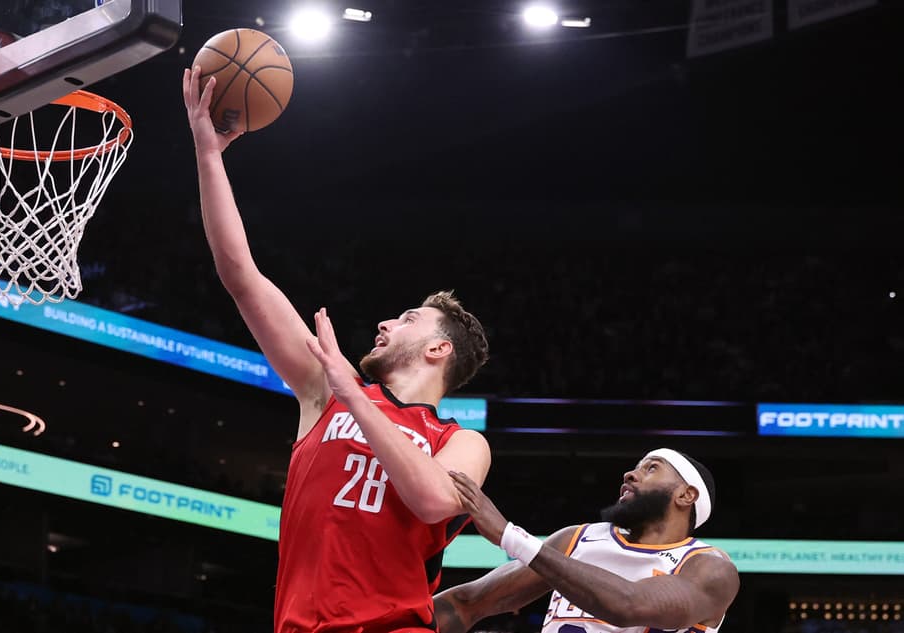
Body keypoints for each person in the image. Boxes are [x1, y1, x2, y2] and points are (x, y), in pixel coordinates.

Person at [182, 66, 492, 632]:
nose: (385, 322)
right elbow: (241, 275)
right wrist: (209, 154)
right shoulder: (326, 391)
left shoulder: (462, 442)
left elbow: (429, 499)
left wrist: (354, 393)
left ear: (438, 349)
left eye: (408, 318)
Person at [434, 449, 740, 633]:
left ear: (686, 495)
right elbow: (465, 604)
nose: (630, 474)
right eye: (636, 467)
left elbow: (629, 604)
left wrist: (510, 536)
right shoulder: (577, 539)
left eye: (651, 468)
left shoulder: (709, 568)